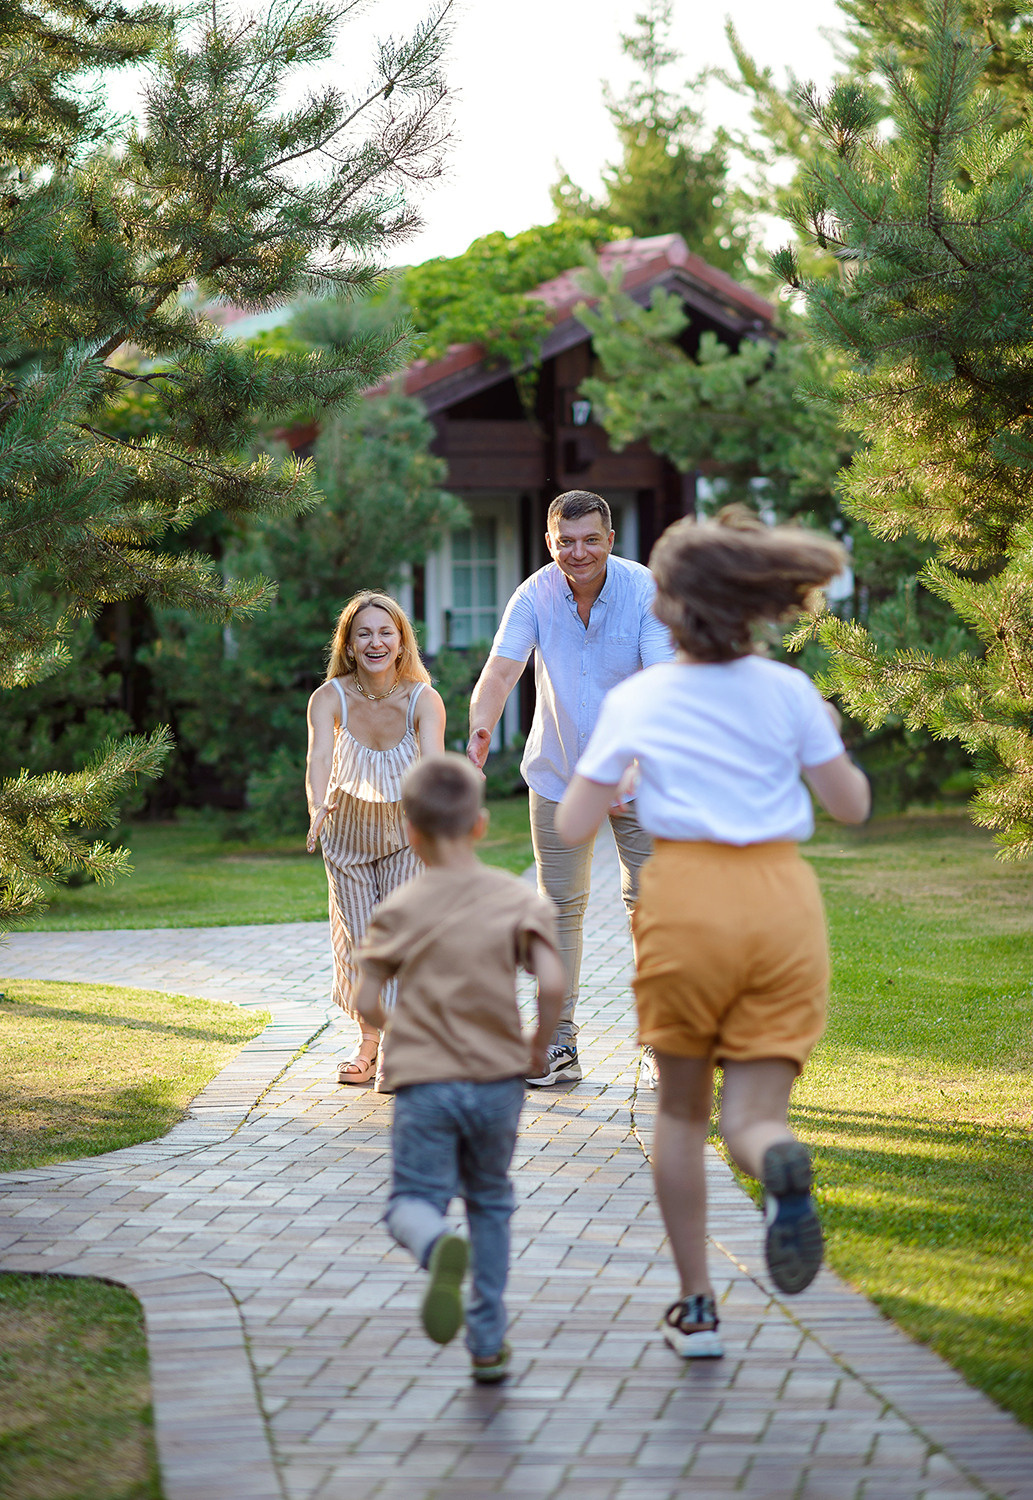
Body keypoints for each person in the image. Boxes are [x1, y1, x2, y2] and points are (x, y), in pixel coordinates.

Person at [555, 510, 871, 1360]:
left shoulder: (639, 698)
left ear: (673, 607)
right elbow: (850, 806)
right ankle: (776, 1159)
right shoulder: (788, 691)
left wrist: (620, 773)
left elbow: (576, 817)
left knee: (681, 1114)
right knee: (753, 1116)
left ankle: (696, 1307)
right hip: (780, 901)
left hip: (684, 896)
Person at [353, 753, 565, 1383]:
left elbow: (365, 1001)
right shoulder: (514, 897)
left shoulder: (400, 908)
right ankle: (488, 1342)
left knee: (412, 1202)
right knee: (491, 1202)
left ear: (411, 834)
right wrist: (538, 1043)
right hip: (499, 1082)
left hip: (424, 1085)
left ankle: (433, 1244)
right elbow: (552, 980)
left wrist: (398, 1030)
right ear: (480, 825)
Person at [466, 489, 674, 1088]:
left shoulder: (644, 591)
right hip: (559, 773)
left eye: (589, 540)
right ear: (550, 542)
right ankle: (557, 1044)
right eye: (565, 541)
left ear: (610, 540)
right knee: (558, 909)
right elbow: (502, 670)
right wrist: (482, 729)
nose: (577, 552)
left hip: (640, 774)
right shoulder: (535, 593)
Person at [306, 591, 446, 1086]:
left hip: (407, 835)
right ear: (347, 645)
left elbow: (433, 764)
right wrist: (316, 804)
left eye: (386, 632)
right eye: (363, 633)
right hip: (346, 838)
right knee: (363, 944)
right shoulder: (330, 698)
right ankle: (370, 1042)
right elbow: (319, 758)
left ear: (402, 642)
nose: (375, 642)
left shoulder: (423, 701)